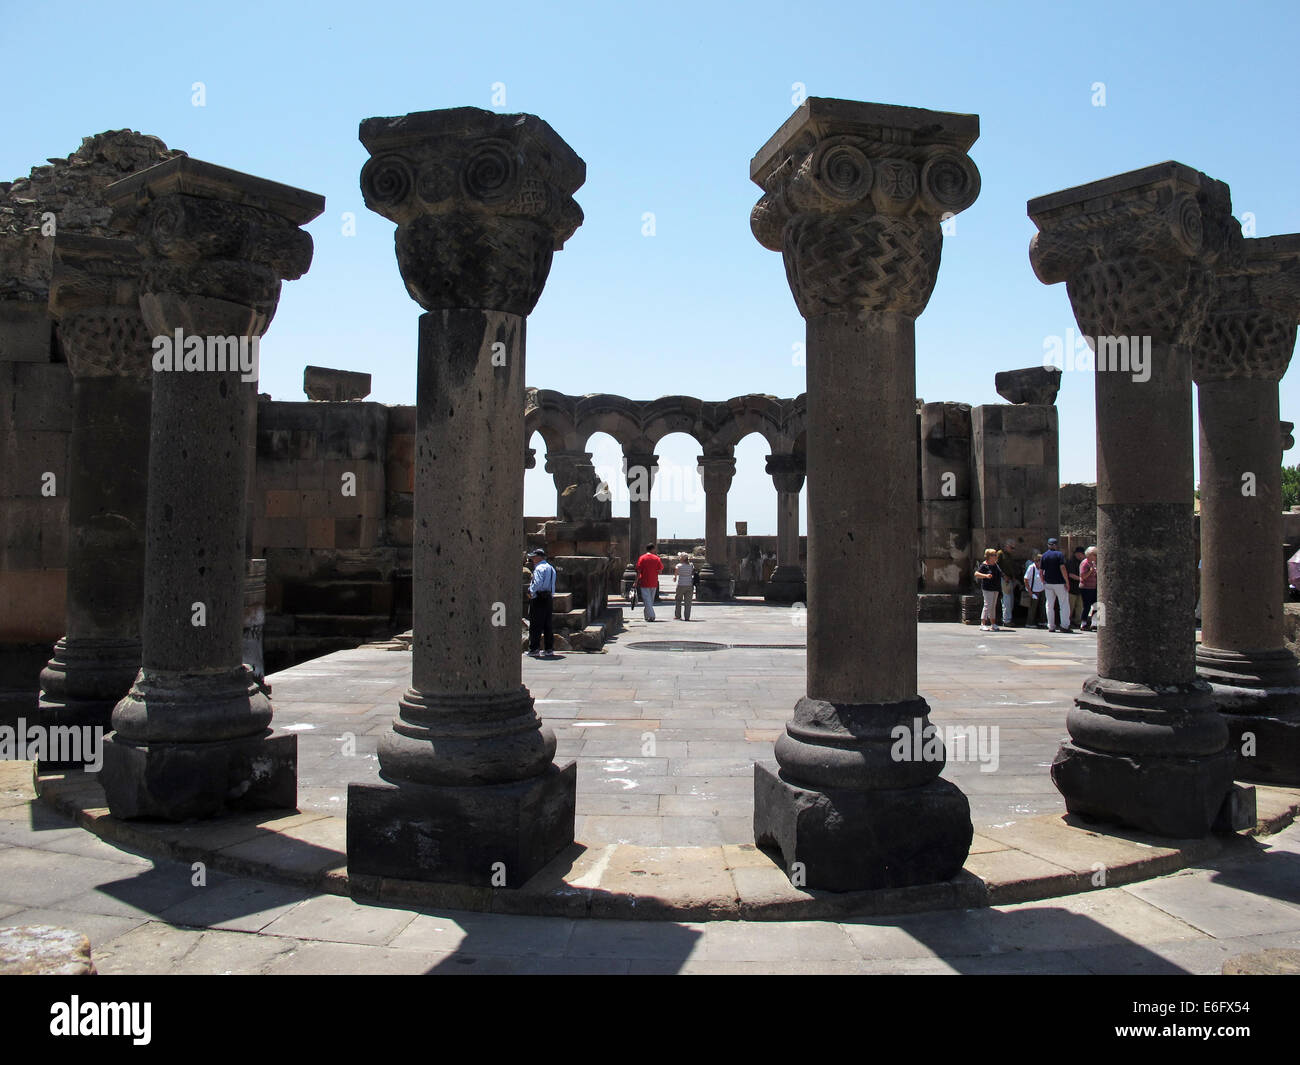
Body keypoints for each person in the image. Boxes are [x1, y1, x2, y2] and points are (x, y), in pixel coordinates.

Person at [525, 548, 556, 657]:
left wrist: (530, 592)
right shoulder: (551, 568)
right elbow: (553, 585)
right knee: (547, 625)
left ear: (539, 557)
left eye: (534, 557)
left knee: (535, 625)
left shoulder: (539, 568)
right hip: (548, 598)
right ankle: (549, 648)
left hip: (538, 598)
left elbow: (537, 583)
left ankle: (534, 649)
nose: (532, 559)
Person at [1041, 537, 1071, 633]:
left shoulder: (1044, 555)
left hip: (1048, 583)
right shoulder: (1059, 555)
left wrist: (1043, 581)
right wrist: (1067, 581)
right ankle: (1064, 626)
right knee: (1063, 604)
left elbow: (1041, 571)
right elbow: (1062, 568)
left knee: (1049, 605)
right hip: (1059, 583)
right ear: (1056, 545)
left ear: (1048, 545)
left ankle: (1051, 626)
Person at [974, 548, 1002, 632]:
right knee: (987, 605)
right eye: (994, 555)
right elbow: (976, 574)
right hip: (987, 588)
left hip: (995, 588)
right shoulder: (984, 565)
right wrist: (986, 576)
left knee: (993, 606)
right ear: (989, 556)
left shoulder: (995, 565)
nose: (996, 556)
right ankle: (983, 624)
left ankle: (993, 624)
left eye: (995, 555)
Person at [636, 542, 663, 622]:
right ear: (653, 549)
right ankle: (649, 615)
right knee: (650, 600)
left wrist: (636, 581)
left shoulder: (642, 558)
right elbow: (660, 571)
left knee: (647, 600)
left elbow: (639, 571)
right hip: (654, 581)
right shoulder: (657, 558)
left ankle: (650, 615)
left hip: (644, 581)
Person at [998, 540, 1018, 627]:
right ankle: (1006, 620)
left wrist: (1013, 577)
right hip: (1004, 579)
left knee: (1011, 600)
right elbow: (997, 566)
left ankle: (1008, 618)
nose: (1012, 549)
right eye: (1011, 547)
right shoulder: (1000, 554)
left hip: (1010, 579)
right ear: (1006, 546)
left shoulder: (1009, 555)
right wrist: (1003, 575)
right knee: (1007, 600)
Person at [1024, 552, 1045, 628]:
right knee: (1033, 608)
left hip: (1042, 589)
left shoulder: (1042, 568)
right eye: (1038, 560)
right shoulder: (1031, 567)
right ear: (1035, 561)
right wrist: (1030, 592)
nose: (1040, 562)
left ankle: (1042, 621)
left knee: (1042, 607)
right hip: (1034, 590)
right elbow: (1026, 579)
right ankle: (1029, 622)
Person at [1079, 545, 1098, 631]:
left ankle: (1094, 623)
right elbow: (1083, 577)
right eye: (1094, 554)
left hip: (1094, 587)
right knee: (1086, 606)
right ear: (1089, 554)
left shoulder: (1094, 563)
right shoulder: (1085, 563)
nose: (1096, 556)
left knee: (1096, 605)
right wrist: (1090, 571)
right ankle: (1083, 623)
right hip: (1086, 587)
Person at [674, 552, 695, 621]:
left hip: (681, 585)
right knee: (688, 602)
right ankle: (687, 617)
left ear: (682, 558)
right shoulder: (691, 565)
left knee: (678, 600)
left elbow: (676, 573)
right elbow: (693, 571)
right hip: (689, 584)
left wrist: (675, 577)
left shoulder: (679, 565)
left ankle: (678, 615)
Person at [1067, 546, 1085, 628]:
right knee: (1070, 607)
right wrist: (1081, 579)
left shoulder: (1083, 562)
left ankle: (1078, 622)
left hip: (1080, 589)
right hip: (1072, 588)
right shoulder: (1071, 562)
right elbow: (1070, 574)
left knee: (1080, 606)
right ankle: (1068, 621)